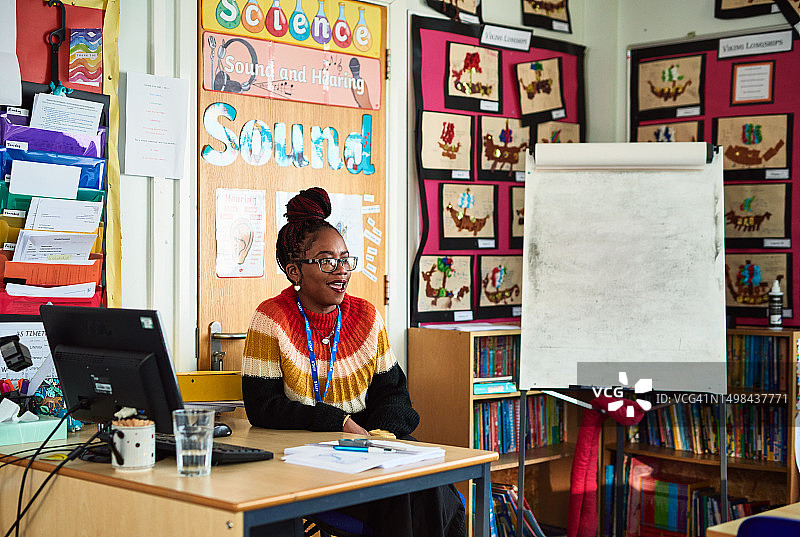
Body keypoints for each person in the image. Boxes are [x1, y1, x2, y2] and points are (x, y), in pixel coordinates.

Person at [242, 187, 466, 537]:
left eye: (346, 259)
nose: (341, 270)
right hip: (307, 459)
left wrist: (377, 435)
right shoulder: (271, 318)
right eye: (327, 260)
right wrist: (338, 422)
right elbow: (263, 407)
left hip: (368, 449)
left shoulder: (366, 316)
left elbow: (395, 396)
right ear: (294, 271)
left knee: (429, 485)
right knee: (404, 497)